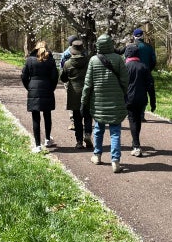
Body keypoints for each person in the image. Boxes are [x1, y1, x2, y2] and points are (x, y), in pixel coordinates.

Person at [80, 33, 128, 173]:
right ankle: (115, 161)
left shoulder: (93, 60)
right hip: (115, 101)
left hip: (98, 101)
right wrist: (122, 92)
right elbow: (125, 80)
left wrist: (84, 101)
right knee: (115, 132)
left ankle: (97, 155)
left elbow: (88, 84)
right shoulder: (118, 59)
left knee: (99, 129)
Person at [21, 40, 59, 153]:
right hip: (47, 88)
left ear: (36, 48)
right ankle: (47, 139)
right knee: (47, 115)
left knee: (35, 118)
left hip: (33, 89)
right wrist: (51, 88)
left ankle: (37, 145)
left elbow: (23, 76)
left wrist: (29, 87)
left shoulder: (29, 60)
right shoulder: (51, 61)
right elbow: (55, 77)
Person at [124, 43, 156, 156]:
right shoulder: (144, 66)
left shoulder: (125, 67)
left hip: (129, 98)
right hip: (142, 98)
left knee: (132, 120)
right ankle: (135, 142)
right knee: (137, 120)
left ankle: (136, 146)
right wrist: (153, 101)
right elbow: (150, 85)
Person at [60, 39, 93, 149]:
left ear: (72, 51)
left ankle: (79, 142)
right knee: (88, 115)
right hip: (87, 92)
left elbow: (63, 78)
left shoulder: (67, 63)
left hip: (74, 93)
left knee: (77, 118)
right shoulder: (89, 61)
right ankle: (87, 134)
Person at [132, 28, 156, 121]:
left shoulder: (131, 46)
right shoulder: (148, 47)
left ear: (134, 36)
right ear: (142, 36)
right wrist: (149, 69)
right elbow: (153, 61)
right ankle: (141, 114)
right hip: (146, 72)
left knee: (133, 90)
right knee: (144, 92)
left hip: (133, 72)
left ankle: (133, 113)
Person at [60, 34, 79, 130]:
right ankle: (81, 119)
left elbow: (62, 68)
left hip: (69, 80)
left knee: (71, 99)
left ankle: (73, 121)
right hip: (81, 79)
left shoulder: (65, 54)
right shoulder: (83, 52)